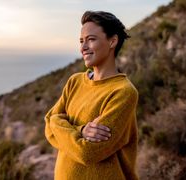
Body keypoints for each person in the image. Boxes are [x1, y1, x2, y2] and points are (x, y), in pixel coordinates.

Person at [44, 11, 139, 180]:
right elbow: (48, 124)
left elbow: (87, 153)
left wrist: (59, 123)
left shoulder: (123, 92)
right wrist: (81, 130)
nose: (83, 48)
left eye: (91, 39)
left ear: (112, 41)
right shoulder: (75, 81)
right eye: (81, 41)